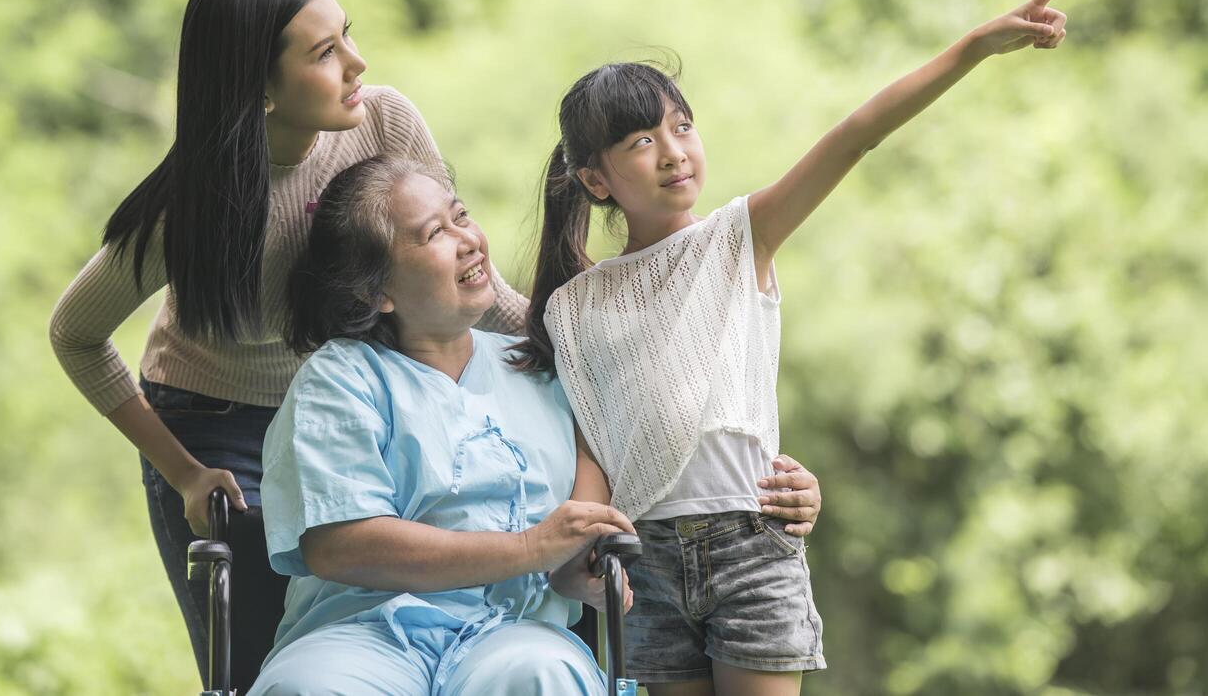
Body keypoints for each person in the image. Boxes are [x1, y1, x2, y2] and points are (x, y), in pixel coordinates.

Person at [514, 0, 1077, 694]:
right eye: (639, 141)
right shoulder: (576, 305)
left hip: (750, 544)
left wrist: (971, 48)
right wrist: (584, 548)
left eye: (680, 127)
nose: (672, 151)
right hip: (643, 559)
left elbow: (855, 137)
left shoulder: (737, 239)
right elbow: (598, 443)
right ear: (595, 181)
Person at [47, 0, 526, 686]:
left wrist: (568, 341)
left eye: (348, 36)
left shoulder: (384, 123)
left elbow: (469, 276)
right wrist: (182, 472)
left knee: (392, 637)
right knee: (256, 666)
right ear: (259, 87)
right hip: (221, 433)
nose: (358, 63)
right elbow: (76, 335)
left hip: (358, 412)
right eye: (326, 52)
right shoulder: (191, 210)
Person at [250, 156, 824, 694]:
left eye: (461, 216)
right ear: (376, 291)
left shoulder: (544, 369)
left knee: (543, 675)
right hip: (362, 634)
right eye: (433, 234)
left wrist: (779, 487)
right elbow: (339, 545)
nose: (468, 240)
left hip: (513, 631)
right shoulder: (341, 379)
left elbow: (659, 444)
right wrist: (530, 547)